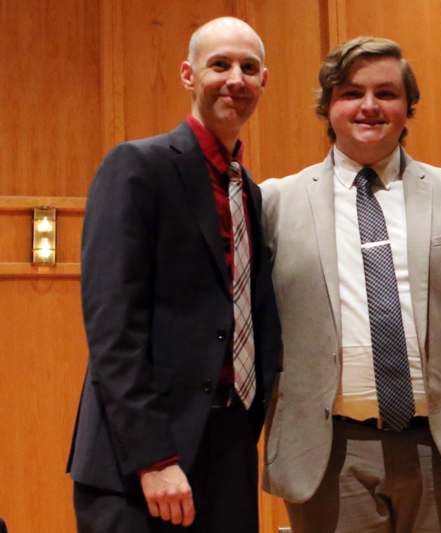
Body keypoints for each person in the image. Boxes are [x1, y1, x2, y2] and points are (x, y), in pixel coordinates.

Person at [260, 36, 441, 533]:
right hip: (327, 454)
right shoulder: (275, 203)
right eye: (351, 93)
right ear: (328, 106)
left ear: (407, 107)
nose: (369, 106)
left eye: (386, 93)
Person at [67, 16, 281, 532]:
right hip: (140, 460)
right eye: (220, 65)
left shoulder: (248, 191)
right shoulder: (137, 167)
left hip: (227, 448)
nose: (236, 78)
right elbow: (113, 328)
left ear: (264, 81)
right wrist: (154, 458)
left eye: (248, 68)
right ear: (188, 75)